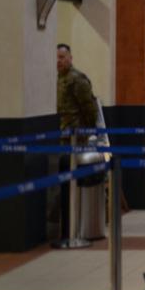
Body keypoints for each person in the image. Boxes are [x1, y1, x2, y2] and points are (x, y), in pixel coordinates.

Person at [56, 44, 99, 239]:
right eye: (56, 57)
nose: (59, 61)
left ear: (70, 58)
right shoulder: (55, 78)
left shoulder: (77, 80)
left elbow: (89, 110)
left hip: (74, 138)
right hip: (60, 137)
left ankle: (75, 224)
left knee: (74, 181)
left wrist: (85, 132)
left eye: (62, 57)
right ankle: (62, 222)